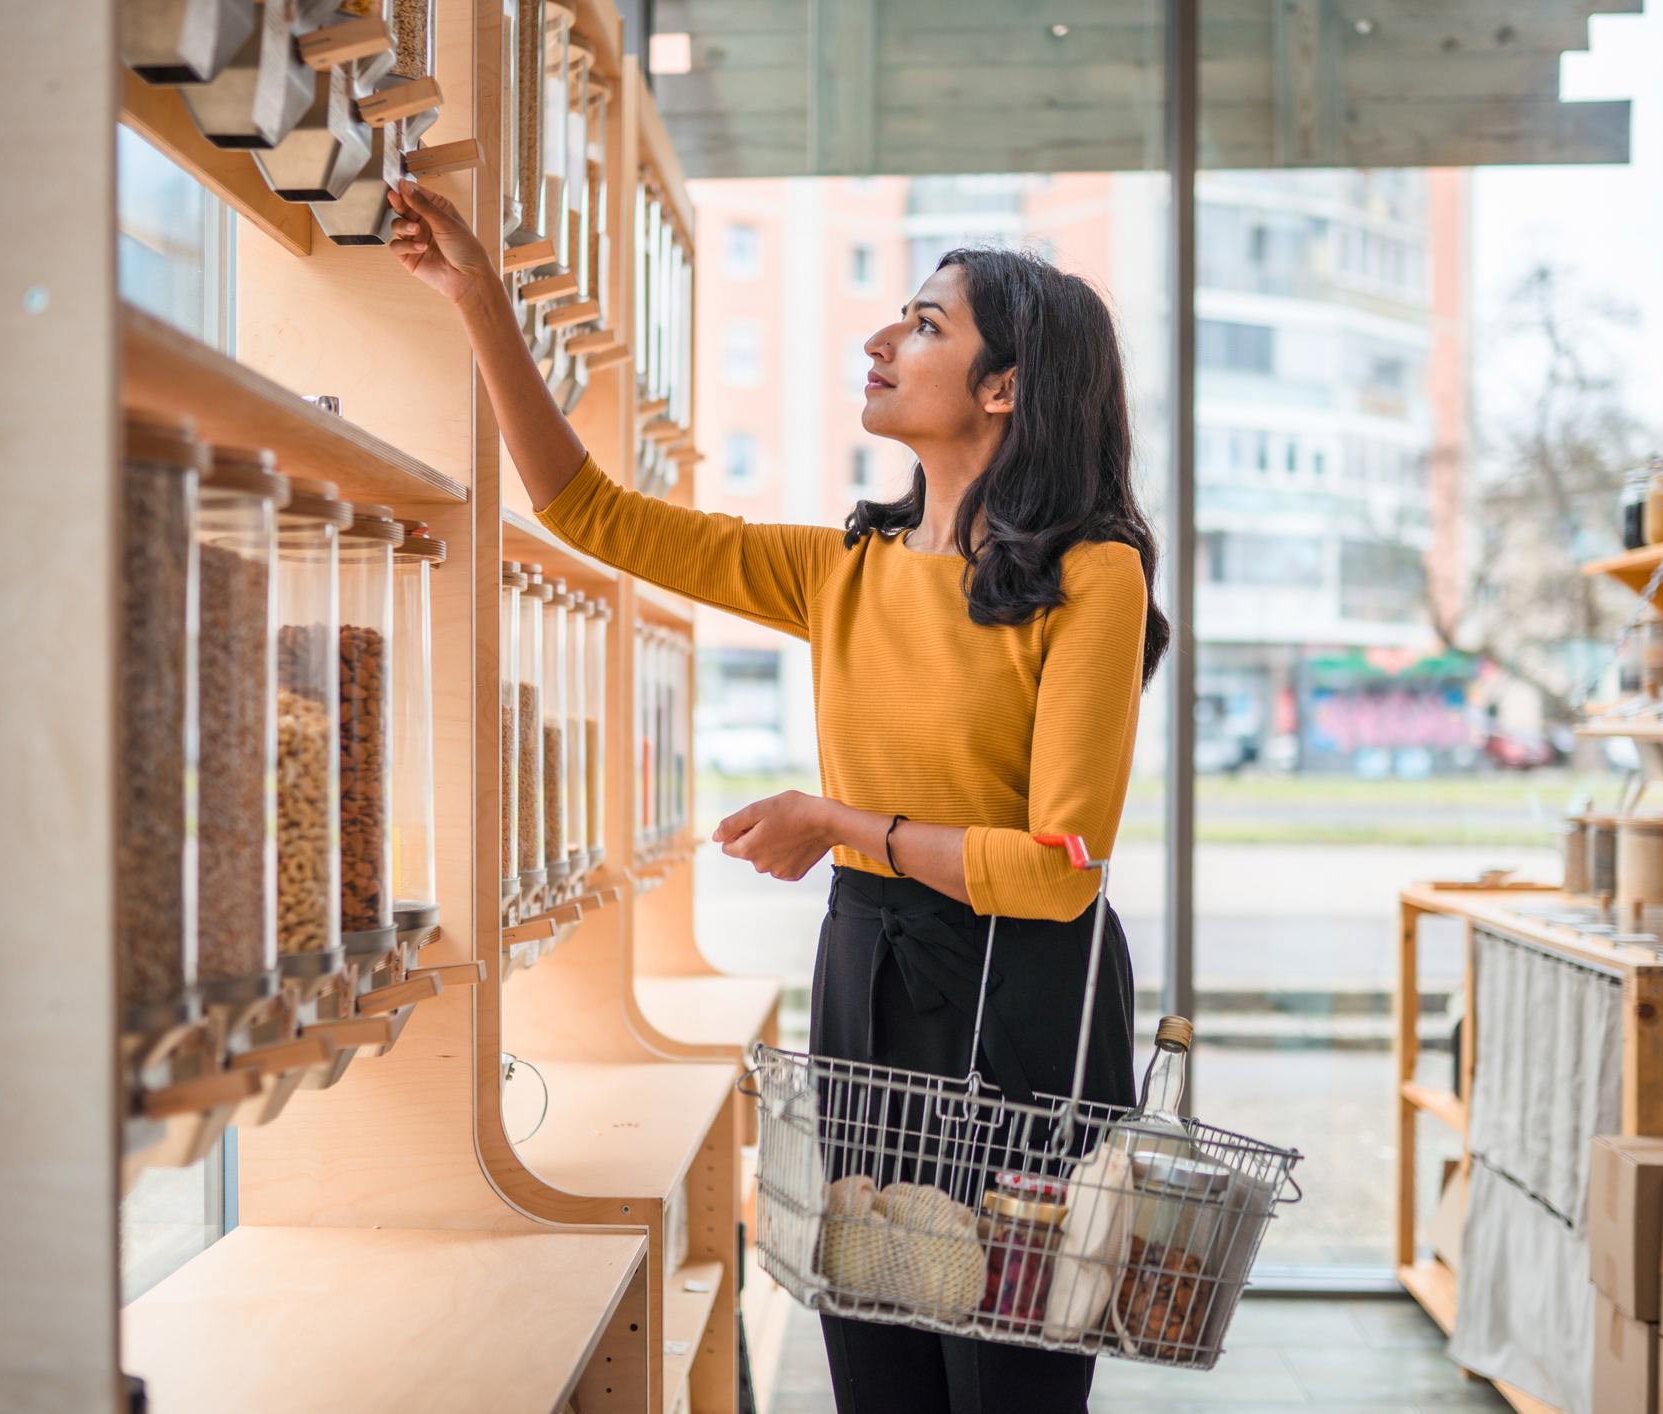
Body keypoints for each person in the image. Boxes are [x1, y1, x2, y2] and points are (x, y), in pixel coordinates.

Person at [386, 180, 1169, 1414]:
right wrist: (478, 296)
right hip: (867, 975)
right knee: (877, 1359)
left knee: (1007, 1371)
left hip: (1021, 998)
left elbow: (1061, 868)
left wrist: (841, 826)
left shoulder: (1095, 574)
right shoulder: (840, 569)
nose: (880, 340)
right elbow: (586, 510)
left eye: (924, 325)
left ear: (1005, 387)